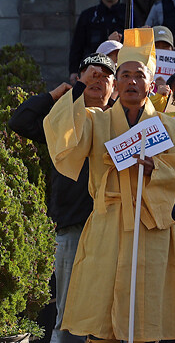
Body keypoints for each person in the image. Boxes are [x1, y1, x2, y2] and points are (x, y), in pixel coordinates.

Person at [44, 33, 175, 343]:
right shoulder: (96, 121)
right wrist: (82, 86)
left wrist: (157, 168)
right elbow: (65, 140)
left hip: (150, 227)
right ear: (116, 83)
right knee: (102, 313)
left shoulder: (169, 127)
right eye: (124, 75)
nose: (131, 81)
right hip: (108, 223)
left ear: (150, 85)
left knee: (145, 316)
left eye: (139, 75)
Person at [8, 54, 116, 343]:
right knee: (68, 316)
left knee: (113, 313)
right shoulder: (63, 121)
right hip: (72, 227)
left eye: (105, 75)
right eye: (91, 74)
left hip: (114, 225)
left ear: (115, 87)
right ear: (78, 80)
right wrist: (56, 95)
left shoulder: (121, 120)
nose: (98, 79)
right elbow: (20, 121)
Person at [69, 0, 129, 80]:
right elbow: (77, 45)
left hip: (123, 70)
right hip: (92, 69)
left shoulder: (129, 14)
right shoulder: (88, 15)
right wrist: (73, 70)